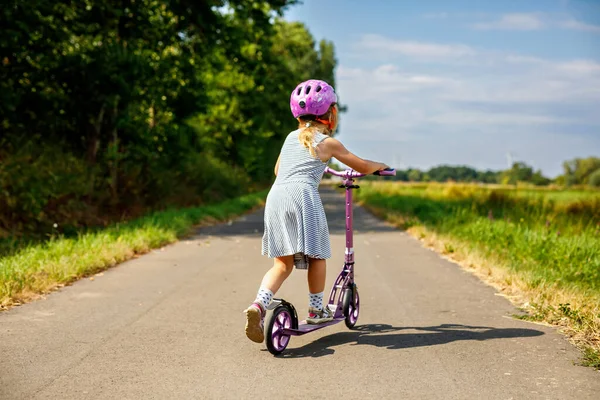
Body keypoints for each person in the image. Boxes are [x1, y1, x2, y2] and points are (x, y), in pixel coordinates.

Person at [243, 79, 389, 343]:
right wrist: (379, 166)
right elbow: (362, 166)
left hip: (276, 197)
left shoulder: (289, 138)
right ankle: (316, 309)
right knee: (317, 255)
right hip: (302, 197)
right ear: (330, 114)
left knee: (281, 263)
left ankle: (258, 305)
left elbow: (278, 171)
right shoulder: (328, 143)